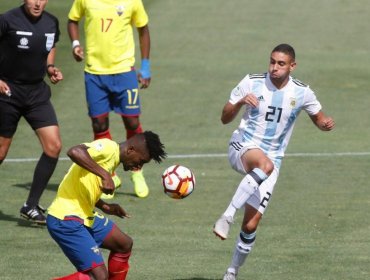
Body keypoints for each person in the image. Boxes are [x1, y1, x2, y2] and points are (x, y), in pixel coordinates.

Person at [213, 44, 335, 280]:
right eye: (272, 62)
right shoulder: (251, 82)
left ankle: (231, 272)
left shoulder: (302, 92)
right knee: (264, 165)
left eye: (281, 64)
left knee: (250, 225)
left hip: (273, 159)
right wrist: (239, 103)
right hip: (242, 146)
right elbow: (224, 118)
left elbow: (319, 118)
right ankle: (226, 215)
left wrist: (325, 124)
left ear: (292, 66)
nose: (274, 68)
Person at [47, 131, 166, 280]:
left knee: (124, 244)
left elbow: (84, 184)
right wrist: (105, 175)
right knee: (98, 276)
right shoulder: (109, 148)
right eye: (140, 161)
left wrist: (105, 206)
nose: (138, 166)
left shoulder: (113, 160)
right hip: (65, 219)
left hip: (83, 214)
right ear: (130, 150)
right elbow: (74, 151)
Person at [67, 0, 152, 198]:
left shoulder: (132, 2)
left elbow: (143, 29)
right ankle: (110, 174)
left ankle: (137, 171)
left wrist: (145, 66)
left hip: (124, 72)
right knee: (99, 123)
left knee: (132, 120)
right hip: (94, 73)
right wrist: (75, 44)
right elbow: (72, 20)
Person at [0, 0, 63, 224]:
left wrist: (50, 68)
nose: (37, 3)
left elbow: (51, 44)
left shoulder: (51, 22)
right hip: (8, 92)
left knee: (54, 146)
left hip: (37, 93)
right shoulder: (7, 20)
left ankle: (30, 205)